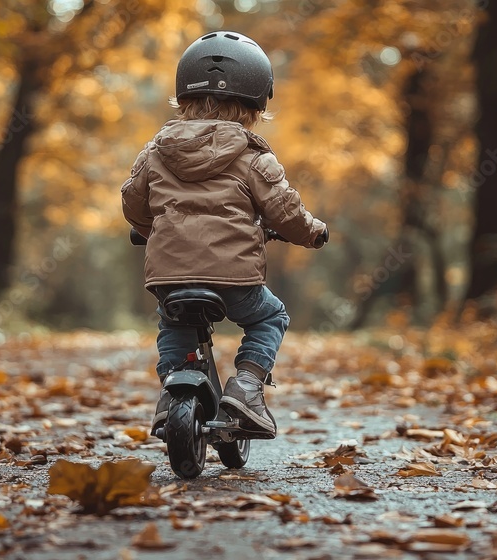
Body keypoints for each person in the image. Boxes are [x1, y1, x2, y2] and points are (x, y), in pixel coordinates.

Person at [121, 31, 328, 439]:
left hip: (170, 276)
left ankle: (173, 388)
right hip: (234, 279)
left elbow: (133, 203)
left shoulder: (153, 153)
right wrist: (314, 233)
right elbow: (285, 212)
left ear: (184, 97)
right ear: (256, 103)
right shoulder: (253, 157)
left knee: (173, 323)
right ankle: (248, 387)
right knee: (270, 316)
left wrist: (148, 230)